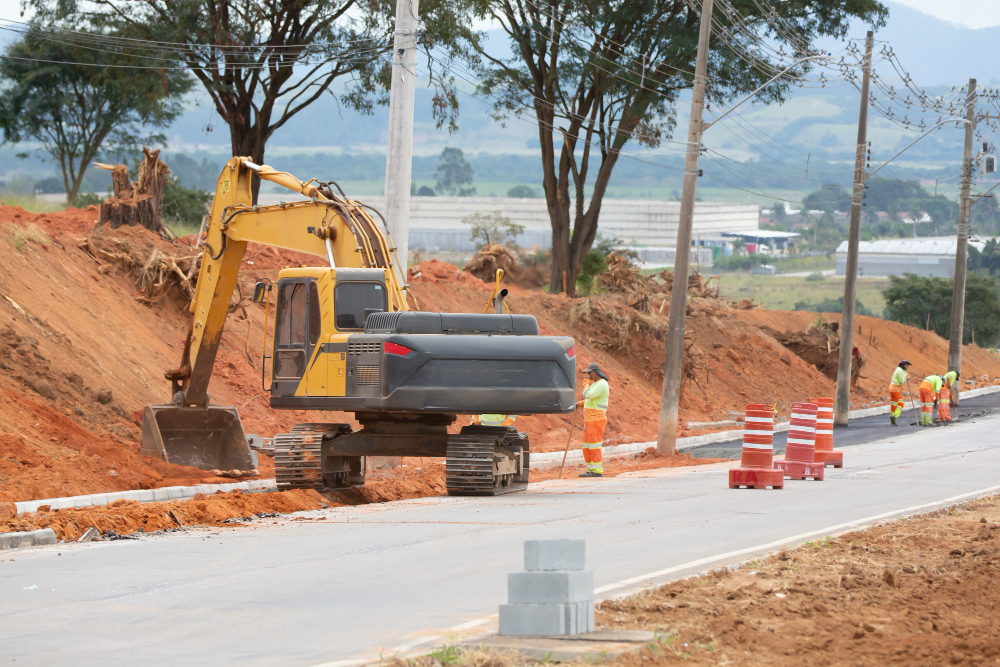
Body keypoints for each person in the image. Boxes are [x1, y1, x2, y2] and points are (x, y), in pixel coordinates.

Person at [577, 362, 609, 478]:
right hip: (589, 420)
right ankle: (591, 469)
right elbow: (591, 400)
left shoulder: (602, 384)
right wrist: (580, 404)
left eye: (589, 373)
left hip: (596, 420)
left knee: (594, 446)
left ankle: (597, 471)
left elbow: (588, 395)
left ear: (594, 372)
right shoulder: (596, 384)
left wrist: (585, 382)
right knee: (586, 446)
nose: (587, 376)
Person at [889, 360, 912, 426]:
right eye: (907, 365)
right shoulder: (899, 371)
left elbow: (905, 373)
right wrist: (906, 377)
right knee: (899, 404)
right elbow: (902, 381)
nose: (908, 367)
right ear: (904, 365)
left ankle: (892, 420)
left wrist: (907, 375)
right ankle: (894, 416)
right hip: (895, 390)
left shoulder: (900, 370)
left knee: (894, 405)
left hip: (894, 389)